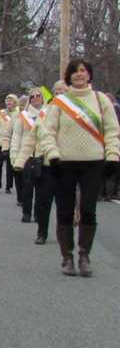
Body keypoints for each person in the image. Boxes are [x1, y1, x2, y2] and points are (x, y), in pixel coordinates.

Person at [40, 60, 119, 276]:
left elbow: (112, 130)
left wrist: (112, 155)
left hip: (93, 163)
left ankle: (85, 256)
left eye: (82, 71)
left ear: (89, 75)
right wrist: (53, 155)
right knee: (65, 211)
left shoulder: (100, 100)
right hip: (64, 163)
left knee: (88, 210)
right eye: (74, 71)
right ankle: (67, 257)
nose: (79, 74)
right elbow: (47, 132)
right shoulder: (59, 103)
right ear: (69, 76)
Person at [16, 80, 67, 245]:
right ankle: (42, 232)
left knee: (65, 204)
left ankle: (63, 234)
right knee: (43, 202)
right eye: (57, 91)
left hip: (67, 164)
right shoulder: (45, 113)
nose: (60, 94)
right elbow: (30, 139)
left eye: (63, 91)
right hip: (45, 163)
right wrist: (20, 159)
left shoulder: (77, 113)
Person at [11, 89, 44, 223]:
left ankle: (38, 214)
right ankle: (26, 212)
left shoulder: (48, 114)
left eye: (38, 96)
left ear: (42, 98)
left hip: (42, 155)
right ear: (29, 100)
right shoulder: (23, 116)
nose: (35, 98)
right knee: (27, 186)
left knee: (41, 188)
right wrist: (14, 155)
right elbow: (17, 136)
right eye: (32, 96)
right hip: (27, 155)